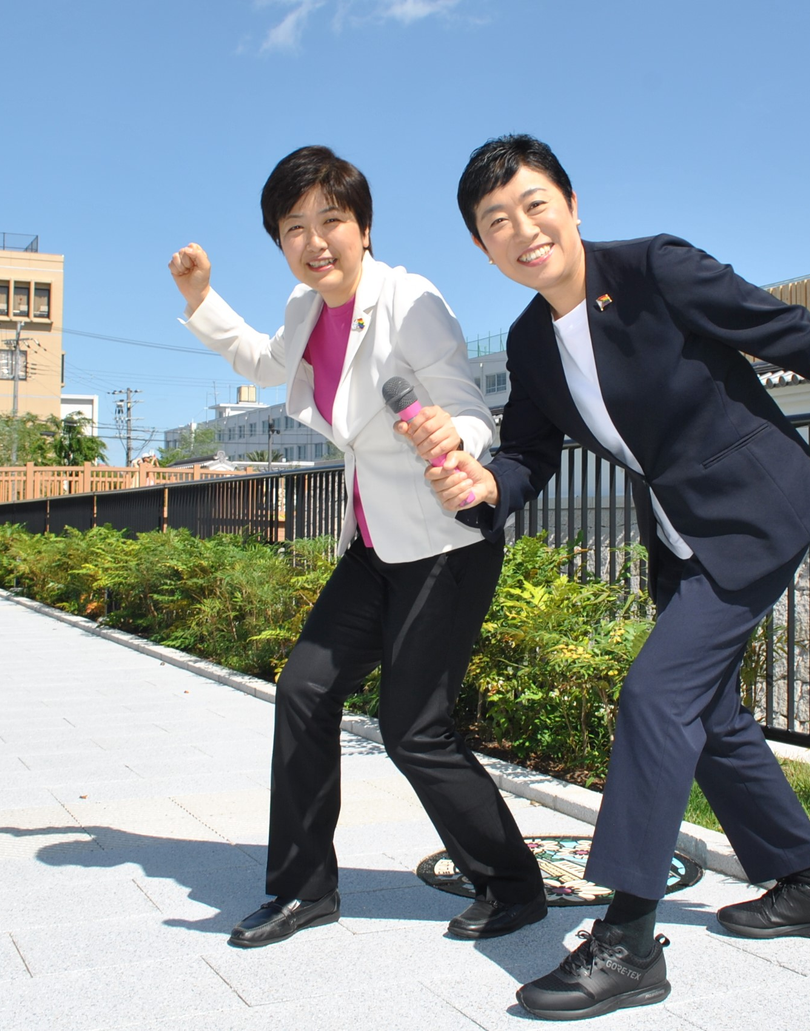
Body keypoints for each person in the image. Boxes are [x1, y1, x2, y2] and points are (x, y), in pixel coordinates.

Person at [427, 134, 810, 1020]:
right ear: (482, 246)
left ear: (572, 205)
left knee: (658, 696)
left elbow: (790, 331)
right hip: (681, 533)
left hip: (755, 508)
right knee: (711, 715)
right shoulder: (529, 341)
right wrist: (486, 486)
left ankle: (628, 942)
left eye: (536, 205)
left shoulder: (654, 268)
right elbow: (529, 453)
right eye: (497, 221)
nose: (523, 230)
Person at [168, 145, 545, 949]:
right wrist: (202, 299)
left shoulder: (410, 300)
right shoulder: (305, 309)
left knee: (415, 727)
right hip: (374, 544)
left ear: (364, 227)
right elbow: (264, 360)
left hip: (444, 542)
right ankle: (302, 889)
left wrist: (456, 440)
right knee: (303, 691)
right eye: (294, 227)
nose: (315, 241)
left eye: (331, 220)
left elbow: (466, 404)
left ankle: (513, 885)